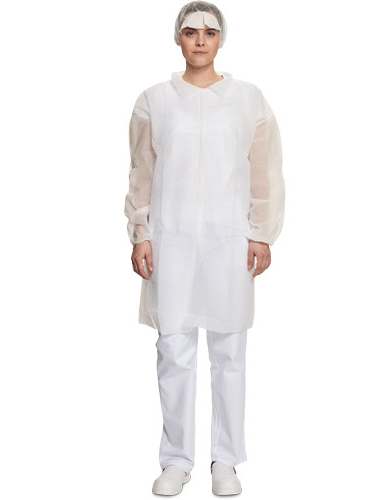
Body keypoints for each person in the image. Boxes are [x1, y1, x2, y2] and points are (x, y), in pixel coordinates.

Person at [124, 1, 285, 495]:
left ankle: (226, 461)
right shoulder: (154, 100)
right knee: (173, 349)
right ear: (178, 38)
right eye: (190, 31)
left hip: (227, 238)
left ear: (220, 39)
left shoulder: (248, 100)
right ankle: (176, 460)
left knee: (229, 351)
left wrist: (261, 231)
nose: (199, 40)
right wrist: (141, 232)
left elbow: (264, 169)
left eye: (209, 32)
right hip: (170, 238)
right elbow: (141, 171)